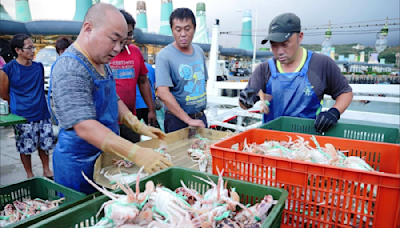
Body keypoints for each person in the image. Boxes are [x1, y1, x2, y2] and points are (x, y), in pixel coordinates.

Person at [49, 3, 172, 194]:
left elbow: (113, 98)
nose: (117, 49)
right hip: (78, 164)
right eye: (114, 40)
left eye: (122, 42)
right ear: (88, 28)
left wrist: (137, 125)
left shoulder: (102, 62)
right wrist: (135, 152)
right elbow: (84, 125)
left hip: (105, 157)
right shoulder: (70, 67)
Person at [239, 13, 353, 133]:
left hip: (308, 142)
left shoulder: (321, 64)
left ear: (300, 37)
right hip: (271, 141)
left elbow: (345, 93)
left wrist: (334, 112)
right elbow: (244, 104)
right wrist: (244, 100)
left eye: (284, 44)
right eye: (274, 45)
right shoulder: (263, 69)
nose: (279, 51)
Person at [0, 34, 55, 179]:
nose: (33, 51)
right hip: (22, 116)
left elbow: (39, 86)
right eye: (29, 48)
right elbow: (4, 94)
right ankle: (29, 174)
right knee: (25, 148)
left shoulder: (38, 67)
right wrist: (18, 106)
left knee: (45, 145)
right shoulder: (7, 69)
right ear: (18, 50)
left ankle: (46, 169)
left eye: (33, 47)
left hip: (42, 113)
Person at [156, 8, 208, 133]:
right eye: (178, 29)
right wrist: (188, 120)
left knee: (203, 151)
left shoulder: (199, 51)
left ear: (194, 28)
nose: (183, 34)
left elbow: (202, 81)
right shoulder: (164, 56)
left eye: (187, 28)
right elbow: (163, 93)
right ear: (172, 30)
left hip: (200, 118)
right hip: (177, 121)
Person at [110, 10, 157, 143]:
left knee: (134, 158)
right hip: (108, 122)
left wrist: (151, 109)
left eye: (129, 34)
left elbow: (143, 82)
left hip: (130, 120)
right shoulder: (105, 53)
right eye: (123, 34)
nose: (126, 39)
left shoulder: (135, 52)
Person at [135, 61, 158, 127]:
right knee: (153, 129)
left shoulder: (132, 65)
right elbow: (156, 84)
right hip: (149, 102)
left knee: (134, 129)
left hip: (135, 103)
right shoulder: (150, 68)